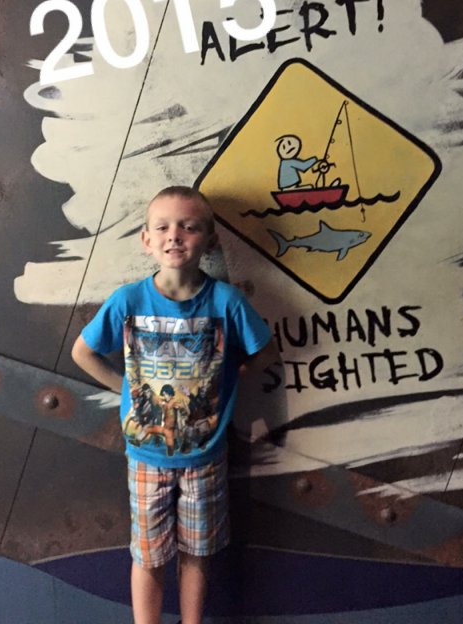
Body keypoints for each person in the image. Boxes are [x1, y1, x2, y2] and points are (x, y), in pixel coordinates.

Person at [72, 186, 276, 624]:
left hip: (206, 456)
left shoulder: (226, 302)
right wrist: (126, 389)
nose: (175, 235)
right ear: (146, 240)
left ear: (210, 240)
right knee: (147, 555)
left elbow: (265, 353)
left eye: (189, 226)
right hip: (146, 456)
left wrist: (231, 378)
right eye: (162, 227)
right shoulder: (128, 301)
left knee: (197, 553)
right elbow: (83, 352)